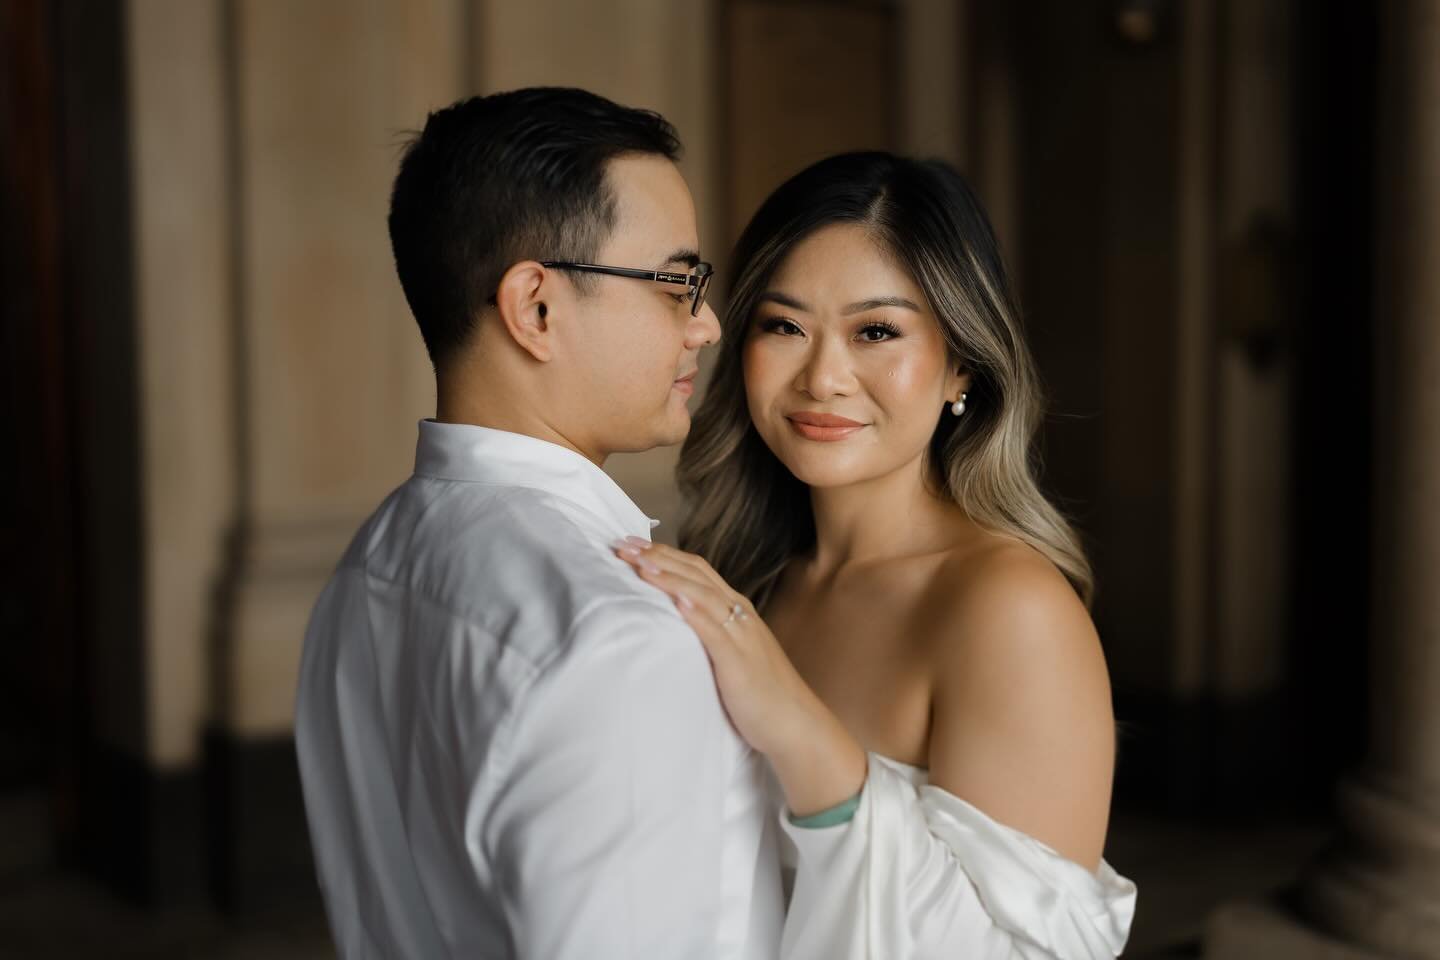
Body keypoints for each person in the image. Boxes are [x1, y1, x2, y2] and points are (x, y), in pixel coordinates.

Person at [294, 88, 785, 958]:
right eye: (678, 283)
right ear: (536, 308)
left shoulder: (371, 563)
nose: (706, 326)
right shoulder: (618, 639)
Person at [613, 151, 1137, 957]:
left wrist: (803, 734)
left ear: (961, 360)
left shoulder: (1007, 609)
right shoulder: (742, 576)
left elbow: (1033, 953)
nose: (823, 377)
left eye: (877, 332)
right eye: (784, 326)